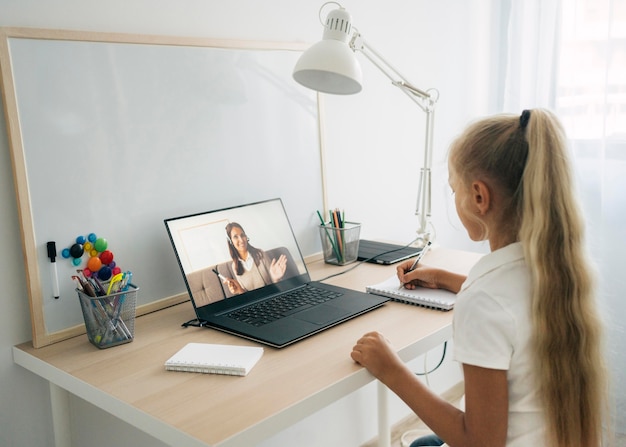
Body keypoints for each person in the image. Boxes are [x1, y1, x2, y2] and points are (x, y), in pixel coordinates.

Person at [351, 109, 608, 447]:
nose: (455, 200)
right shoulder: (558, 268)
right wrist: (445, 278)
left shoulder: (485, 299)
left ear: (478, 197)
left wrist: (390, 369)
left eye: (454, 189)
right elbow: (512, 307)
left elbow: (480, 443)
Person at [222, 222, 288, 295]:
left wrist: (276, 278)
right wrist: (240, 290)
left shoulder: (260, 254)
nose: (241, 240)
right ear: (231, 242)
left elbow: (276, 285)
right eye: (235, 237)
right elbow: (246, 296)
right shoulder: (235, 266)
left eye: (242, 235)